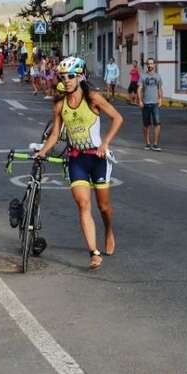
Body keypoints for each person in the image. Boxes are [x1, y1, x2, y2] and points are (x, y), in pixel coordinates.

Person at [36, 57, 124, 270]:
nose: (66, 80)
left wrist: (105, 143)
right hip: (76, 159)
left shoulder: (92, 98)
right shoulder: (60, 105)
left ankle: (108, 230)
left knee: (103, 207)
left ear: (80, 76)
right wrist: (43, 151)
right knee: (83, 204)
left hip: (98, 159)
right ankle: (94, 253)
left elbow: (118, 118)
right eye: (62, 77)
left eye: (70, 76)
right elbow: (55, 134)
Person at [137, 57, 163, 151]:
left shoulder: (158, 76)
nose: (150, 65)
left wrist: (160, 99)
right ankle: (147, 143)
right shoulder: (143, 76)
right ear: (146, 65)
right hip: (146, 103)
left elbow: (159, 88)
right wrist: (140, 101)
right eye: (148, 64)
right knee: (146, 125)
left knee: (157, 123)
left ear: (154, 65)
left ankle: (155, 144)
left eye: (151, 63)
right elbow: (139, 89)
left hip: (155, 103)